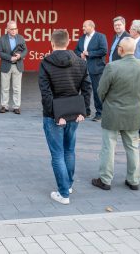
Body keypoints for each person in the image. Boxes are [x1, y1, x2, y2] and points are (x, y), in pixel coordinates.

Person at [91, 37, 140, 191]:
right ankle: (133, 180)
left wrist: (107, 102)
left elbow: (101, 90)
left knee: (108, 147)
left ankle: (105, 179)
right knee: (132, 147)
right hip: (134, 113)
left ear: (121, 50)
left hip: (113, 112)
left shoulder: (112, 66)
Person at [39, 29, 91, 205]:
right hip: (74, 114)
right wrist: (83, 112)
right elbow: (87, 88)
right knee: (69, 150)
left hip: (55, 116)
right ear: (68, 42)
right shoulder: (80, 62)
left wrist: (55, 115)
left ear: (52, 43)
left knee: (58, 155)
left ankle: (63, 193)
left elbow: (45, 94)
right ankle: (67, 185)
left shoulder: (46, 63)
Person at [74, 20, 107, 121]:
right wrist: (81, 54)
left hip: (96, 69)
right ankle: (86, 111)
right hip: (83, 69)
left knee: (97, 91)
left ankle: (100, 113)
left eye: (84, 26)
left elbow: (103, 50)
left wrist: (89, 53)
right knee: (85, 91)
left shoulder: (100, 37)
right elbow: (76, 50)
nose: (82, 28)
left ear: (91, 27)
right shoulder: (82, 38)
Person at [0, 21, 27, 114]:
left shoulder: (21, 38)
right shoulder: (2, 39)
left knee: (17, 88)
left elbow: (25, 50)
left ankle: (16, 106)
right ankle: (4, 106)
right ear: (7, 29)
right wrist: (10, 58)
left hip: (18, 65)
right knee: (5, 88)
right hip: (6, 65)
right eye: (12, 29)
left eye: (15, 29)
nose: (14, 31)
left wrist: (19, 56)